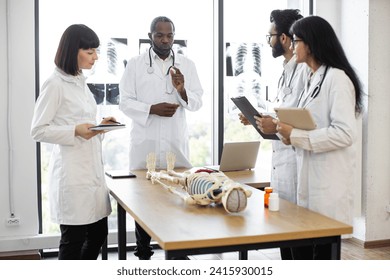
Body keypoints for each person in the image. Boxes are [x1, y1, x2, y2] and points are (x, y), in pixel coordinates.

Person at [275, 15, 363, 259]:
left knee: (323, 257)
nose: (291, 47)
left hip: (328, 184)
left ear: (311, 43)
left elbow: (345, 133)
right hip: (309, 179)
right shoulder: (313, 78)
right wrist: (289, 135)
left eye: (295, 41)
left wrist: (298, 136)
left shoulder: (337, 78)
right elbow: (310, 125)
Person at [119, 16, 203, 260]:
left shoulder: (187, 64)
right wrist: (151, 109)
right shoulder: (135, 64)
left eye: (169, 35)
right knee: (143, 198)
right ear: (150, 36)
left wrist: (182, 90)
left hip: (175, 141)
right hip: (145, 141)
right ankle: (143, 251)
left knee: (177, 195)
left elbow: (197, 102)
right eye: (159, 35)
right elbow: (124, 101)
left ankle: (177, 250)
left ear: (174, 37)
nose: (165, 40)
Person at [30, 24, 114, 260]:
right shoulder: (54, 84)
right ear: (72, 50)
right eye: (89, 52)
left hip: (91, 174)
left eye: (96, 51)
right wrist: (74, 131)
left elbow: (82, 123)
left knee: (98, 234)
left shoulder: (78, 80)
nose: (95, 57)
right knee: (73, 242)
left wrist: (101, 126)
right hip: (72, 176)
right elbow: (37, 130)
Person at [238, 9, 306, 259]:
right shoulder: (286, 70)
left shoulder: (303, 73)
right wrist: (258, 119)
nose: (268, 42)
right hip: (281, 163)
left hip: (295, 162)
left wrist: (273, 122)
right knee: (283, 233)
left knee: (297, 238)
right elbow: (283, 112)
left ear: (285, 39)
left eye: (271, 36)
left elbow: (300, 120)